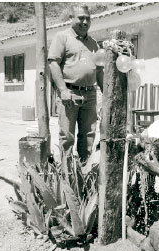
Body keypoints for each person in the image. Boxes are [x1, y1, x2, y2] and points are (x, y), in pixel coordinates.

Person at [48, 5, 103, 174]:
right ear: (72, 18)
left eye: (87, 18)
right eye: (80, 18)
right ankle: (66, 172)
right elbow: (53, 63)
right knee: (67, 135)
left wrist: (105, 93)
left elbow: (99, 70)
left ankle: (84, 171)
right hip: (69, 93)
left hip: (90, 94)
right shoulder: (62, 37)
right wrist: (63, 90)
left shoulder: (93, 43)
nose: (84, 21)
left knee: (88, 135)